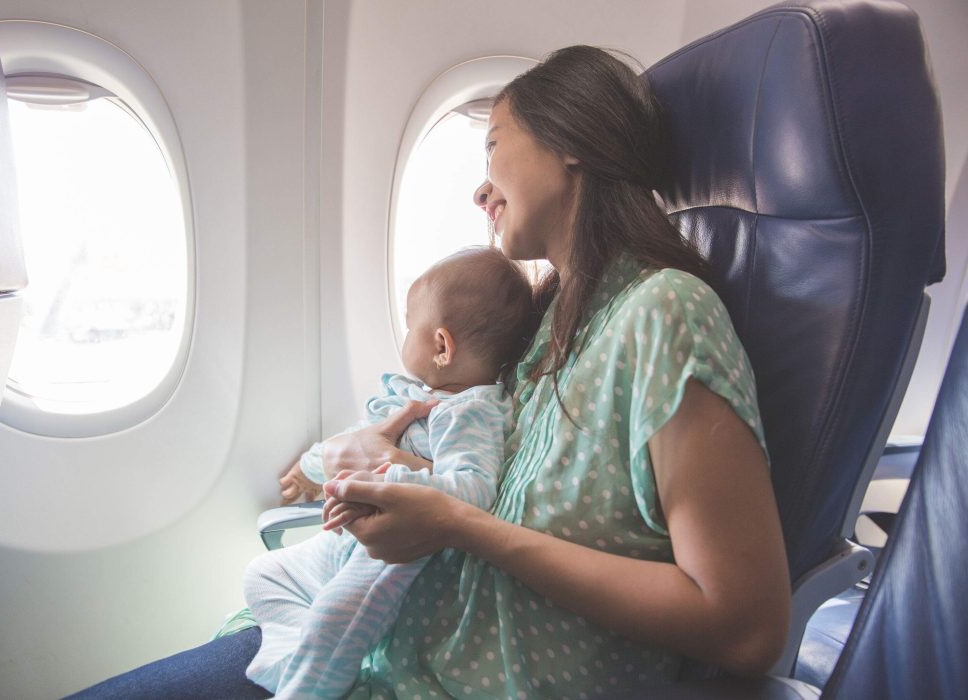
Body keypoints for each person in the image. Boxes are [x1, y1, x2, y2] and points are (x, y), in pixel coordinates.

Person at [68, 44, 790, 699]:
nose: (481, 191)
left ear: (569, 145)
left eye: (495, 148)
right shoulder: (543, 325)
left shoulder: (665, 314)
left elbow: (744, 627)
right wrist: (383, 461)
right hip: (384, 655)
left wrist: (457, 526)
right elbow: (468, 456)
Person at [241, 246, 537, 698]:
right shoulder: (417, 394)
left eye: (408, 325)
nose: (403, 336)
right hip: (348, 541)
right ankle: (294, 659)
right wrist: (309, 469)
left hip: (397, 553)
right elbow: (362, 436)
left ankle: (307, 685)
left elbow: (473, 489)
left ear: (441, 345)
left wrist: (394, 475)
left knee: (333, 620)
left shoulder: (471, 412)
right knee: (263, 574)